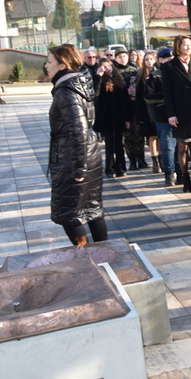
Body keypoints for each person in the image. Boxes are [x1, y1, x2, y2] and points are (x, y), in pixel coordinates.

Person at [45, 45, 108, 246]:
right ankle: (103, 254)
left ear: (62, 65)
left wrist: (78, 167)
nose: (46, 66)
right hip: (87, 153)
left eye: (49, 62)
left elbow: (78, 130)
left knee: (69, 214)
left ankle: (88, 256)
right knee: (92, 209)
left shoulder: (66, 91)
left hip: (73, 157)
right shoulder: (78, 83)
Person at [161, 35, 191, 193]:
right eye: (184, 44)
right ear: (177, 47)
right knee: (182, 147)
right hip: (180, 112)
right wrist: (171, 114)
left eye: (190, 44)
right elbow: (167, 93)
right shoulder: (169, 67)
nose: (187, 47)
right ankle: (185, 177)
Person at [93, 56, 130, 178]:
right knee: (109, 144)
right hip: (105, 116)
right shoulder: (99, 79)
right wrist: (99, 75)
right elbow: (95, 94)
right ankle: (109, 168)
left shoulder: (118, 78)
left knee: (119, 143)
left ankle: (121, 167)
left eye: (109, 65)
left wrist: (126, 118)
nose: (107, 68)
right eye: (104, 66)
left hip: (119, 116)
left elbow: (125, 97)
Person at [145, 47, 177, 185]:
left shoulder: (179, 73)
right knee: (168, 146)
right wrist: (167, 97)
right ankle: (169, 172)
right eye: (167, 59)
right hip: (163, 115)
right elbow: (148, 96)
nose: (170, 61)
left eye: (172, 59)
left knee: (181, 146)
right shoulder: (155, 75)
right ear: (161, 60)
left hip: (180, 114)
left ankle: (181, 171)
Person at [134, 51, 161, 171]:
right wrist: (139, 116)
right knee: (152, 136)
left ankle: (161, 158)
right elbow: (139, 97)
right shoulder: (141, 75)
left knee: (160, 136)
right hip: (146, 111)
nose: (149, 61)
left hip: (159, 109)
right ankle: (155, 160)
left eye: (151, 59)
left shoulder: (160, 72)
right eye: (146, 59)